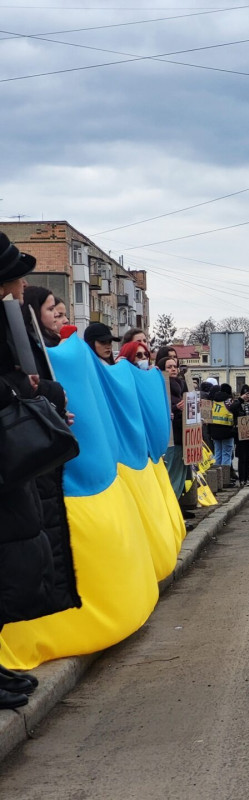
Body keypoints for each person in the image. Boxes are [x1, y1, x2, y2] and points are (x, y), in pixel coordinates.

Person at [0, 234, 80, 709]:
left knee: (16, 562)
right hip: (6, 460)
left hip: (12, 467)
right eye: (16, 275)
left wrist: (41, 397)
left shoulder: (10, 320)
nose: (22, 283)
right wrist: (35, 394)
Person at [157, 353, 193, 519]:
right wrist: (177, 410)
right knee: (173, 479)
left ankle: (176, 513)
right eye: (169, 366)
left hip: (182, 440)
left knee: (179, 479)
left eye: (175, 366)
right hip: (172, 441)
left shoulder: (179, 388)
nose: (173, 369)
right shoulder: (163, 389)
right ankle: (172, 516)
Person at [207, 382, 238, 487]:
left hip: (214, 432)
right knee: (226, 455)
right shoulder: (229, 402)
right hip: (227, 432)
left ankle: (216, 480)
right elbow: (235, 414)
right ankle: (225, 480)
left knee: (217, 455)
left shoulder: (213, 401)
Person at [232, 384, 249, 488]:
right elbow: (232, 409)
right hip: (240, 434)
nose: (247, 396)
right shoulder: (238, 403)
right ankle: (241, 478)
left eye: (248, 394)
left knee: (247, 458)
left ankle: (247, 478)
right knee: (241, 457)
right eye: (245, 393)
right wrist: (240, 399)